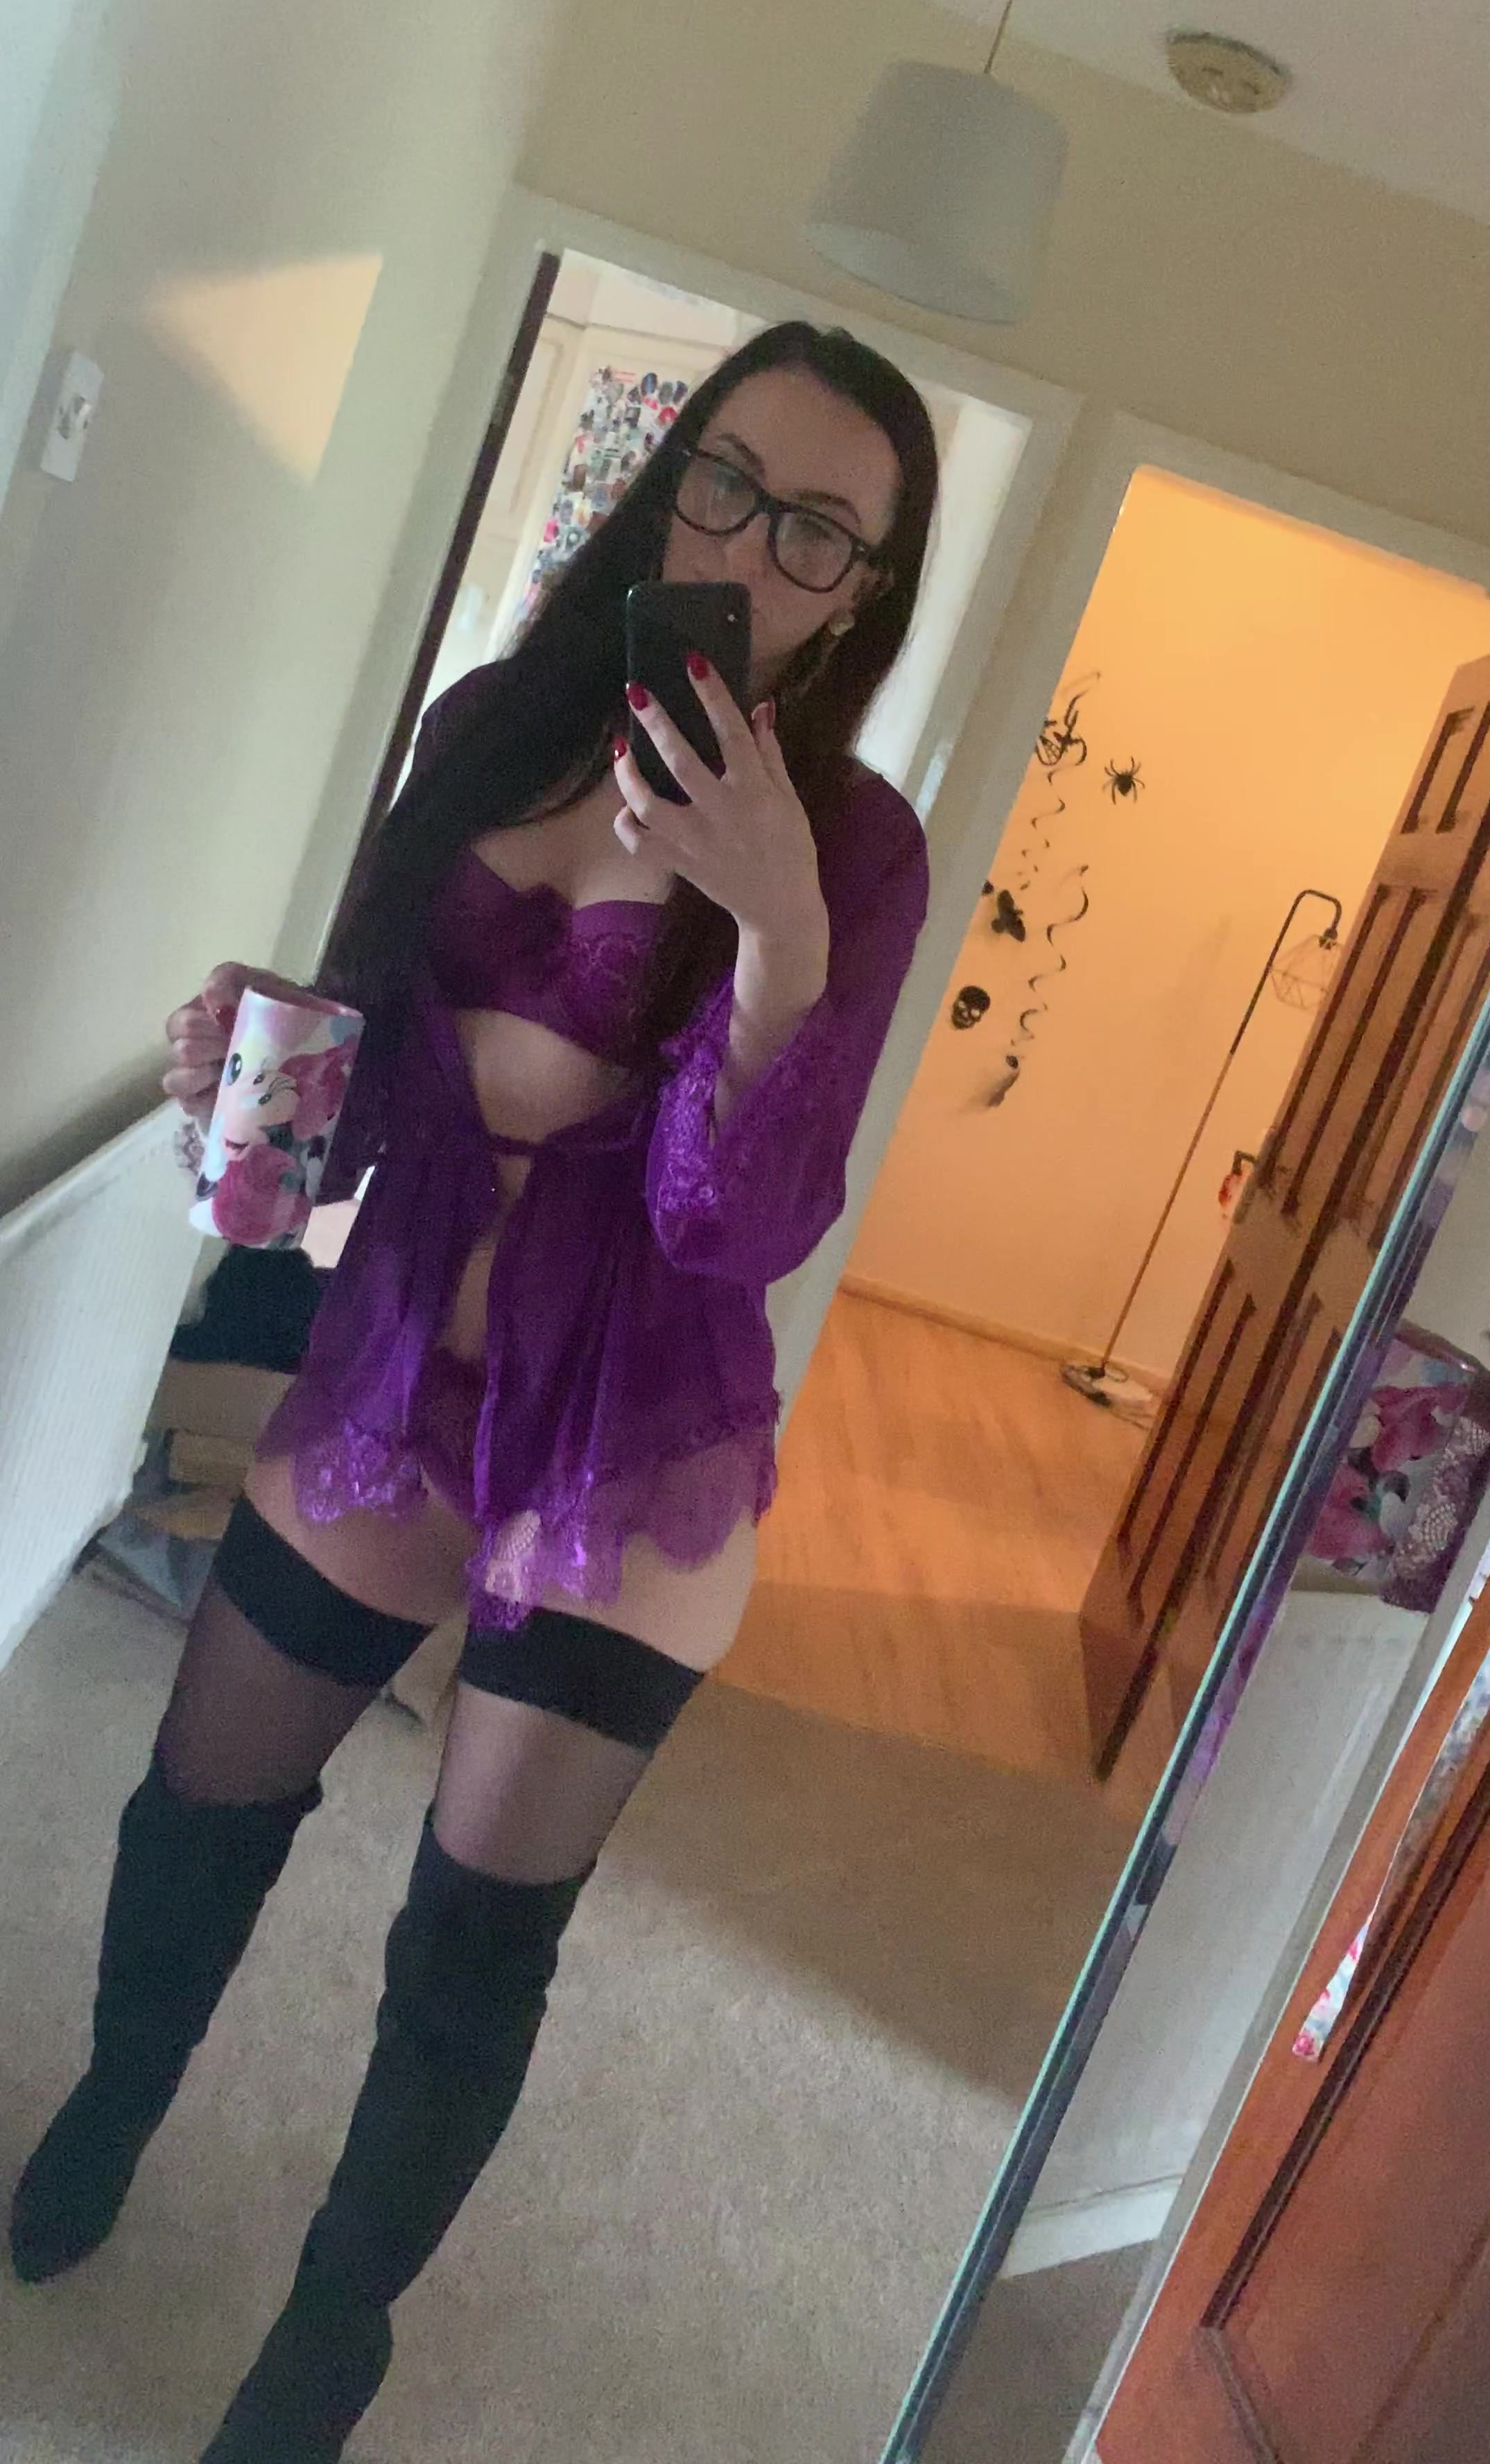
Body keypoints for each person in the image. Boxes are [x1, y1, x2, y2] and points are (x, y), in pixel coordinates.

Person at [10, 321, 939, 2460]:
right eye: (729, 481)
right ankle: (119, 2101)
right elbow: (347, 1098)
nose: (752, 546)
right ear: (672, 478)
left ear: (863, 592)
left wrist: (777, 932)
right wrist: (241, 1061)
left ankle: (333, 2334)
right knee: (195, 1809)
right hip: (390, 1374)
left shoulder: (854, 849)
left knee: (468, 1952)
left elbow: (732, 1221)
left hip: (628, 1437)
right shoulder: (488, 728)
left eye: (818, 529)